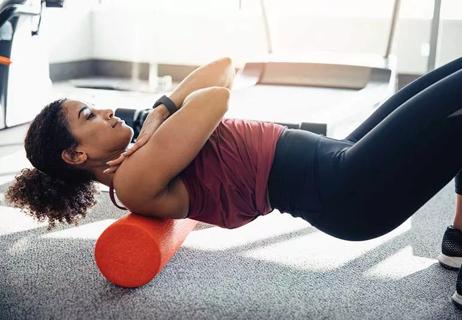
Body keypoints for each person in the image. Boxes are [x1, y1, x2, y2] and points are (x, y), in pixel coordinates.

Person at [5, 56, 462, 304]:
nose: (106, 110)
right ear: (76, 153)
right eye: (89, 115)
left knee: (447, 78)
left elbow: (224, 64)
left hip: (341, 161)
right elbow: (215, 99)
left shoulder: (140, 143)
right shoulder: (134, 178)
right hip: (348, 189)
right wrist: (163, 112)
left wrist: (159, 110)